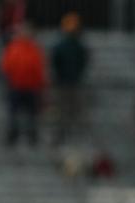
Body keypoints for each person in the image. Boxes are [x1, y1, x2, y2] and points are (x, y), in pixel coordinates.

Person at [0, 23, 45, 148]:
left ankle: (31, 136)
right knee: (14, 113)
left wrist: (39, 85)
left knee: (31, 114)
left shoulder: (35, 49)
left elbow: (39, 69)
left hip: (30, 88)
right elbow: (6, 67)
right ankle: (13, 135)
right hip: (16, 87)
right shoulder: (13, 48)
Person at [50, 12, 89, 145]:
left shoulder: (77, 47)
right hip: (65, 82)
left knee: (71, 109)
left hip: (71, 82)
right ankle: (63, 133)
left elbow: (82, 62)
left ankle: (71, 133)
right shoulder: (65, 46)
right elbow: (56, 62)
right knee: (63, 110)